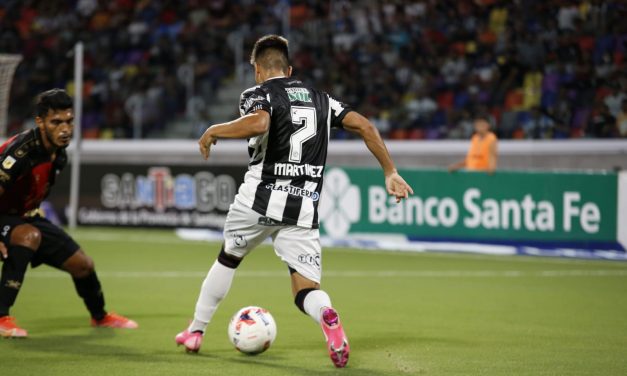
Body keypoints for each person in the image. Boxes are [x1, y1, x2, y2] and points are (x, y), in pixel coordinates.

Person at [175, 35, 413, 368]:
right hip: (303, 206)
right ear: (289, 69)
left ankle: (196, 332)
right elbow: (364, 125)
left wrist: (215, 129)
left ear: (258, 71)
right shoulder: (322, 99)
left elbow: (259, 122)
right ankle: (327, 314)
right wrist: (389, 171)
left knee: (229, 257)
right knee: (306, 290)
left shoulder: (258, 94)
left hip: (258, 200)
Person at [0, 89, 137, 338]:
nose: (65, 129)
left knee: (82, 265)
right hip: (5, 216)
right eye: (56, 122)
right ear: (39, 121)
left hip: (26, 216)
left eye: (69, 121)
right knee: (27, 236)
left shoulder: (58, 152)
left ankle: (100, 316)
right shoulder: (20, 153)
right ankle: (1, 317)